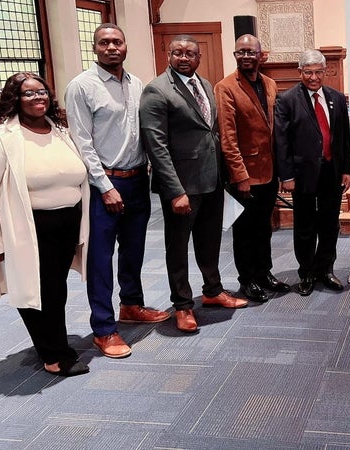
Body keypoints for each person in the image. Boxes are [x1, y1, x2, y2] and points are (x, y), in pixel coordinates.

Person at [0, 73, 90, 377]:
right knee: (35, 291)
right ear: (14, 99)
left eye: (42, 92)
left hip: (67, 222)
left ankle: (55, 344)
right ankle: (53, 355)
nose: (38, 98)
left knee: (54, 289)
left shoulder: (60, 130)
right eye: (28, 94)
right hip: (30, 226)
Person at [65, 23, 169, 359]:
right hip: (103, 186)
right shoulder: (82, 87)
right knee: (100, 260)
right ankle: (104, 329)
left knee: (134, 250)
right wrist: (105, 186)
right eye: (105, 43)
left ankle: (132, 305)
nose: (112, 47)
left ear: (126, 46)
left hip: (137, 179)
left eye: (118, 42)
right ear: (94, 48)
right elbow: (82, 143)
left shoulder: (136, 83)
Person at [139, 35, 248, 333]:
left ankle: (212, 291)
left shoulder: (205, 84)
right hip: (182, 187)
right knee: (178, 247)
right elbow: (156, 146)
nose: (184, 58)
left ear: (199, 58)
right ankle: (183, 306)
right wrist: (175, 191)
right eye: (178, 53)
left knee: (209, 240)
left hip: (211, 180)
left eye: (190, 53)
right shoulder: (157, 90)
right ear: (169, 56)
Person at [215, 34, 289, 302]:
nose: (246, 56)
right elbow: (228, 137)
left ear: (261, 55)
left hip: (269, 172)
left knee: (264, 228)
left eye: (251, 52)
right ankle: (247, 279)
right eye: (240, 52)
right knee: (245, 231)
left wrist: (281, 171)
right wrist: (240, 175)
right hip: (245, 175)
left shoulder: (270, 84)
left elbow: (274, 130)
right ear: (235, 55)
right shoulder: (225, 87)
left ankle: (264, 273)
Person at [274, 49, 350, 296]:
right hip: (302, 175)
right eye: (308, 72)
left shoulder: (337, 98)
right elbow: (281, 141)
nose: (314, 77)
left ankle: (326, 270)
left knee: (330, 225)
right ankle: (306, 273)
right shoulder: (287, 99)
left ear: (325, 71)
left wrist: (347, 169)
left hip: (332, 171)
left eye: (318, 72)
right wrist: (286, 176)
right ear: (300, 72)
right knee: (305, 226)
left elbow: (344, 138)